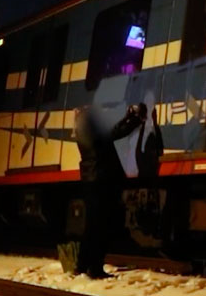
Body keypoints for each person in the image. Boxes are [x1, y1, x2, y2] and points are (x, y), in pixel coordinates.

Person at [70, 102, 147, 278]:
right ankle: (95, 268)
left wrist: (128, 119)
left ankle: (82, 266)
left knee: (92, 226)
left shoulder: (82, 129)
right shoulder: (91, 129)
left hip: (92, 179)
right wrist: (133, 120)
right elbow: (113, 133)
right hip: (100, 179)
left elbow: (112, 132)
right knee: (100, 226)